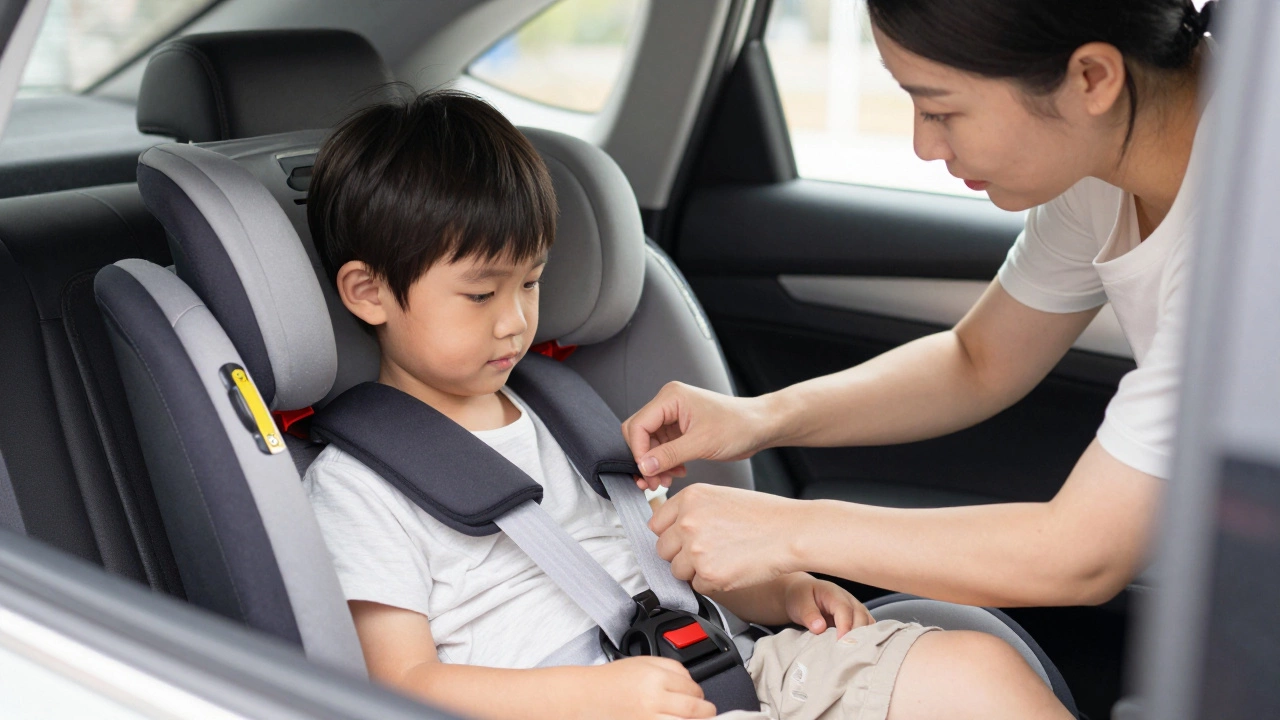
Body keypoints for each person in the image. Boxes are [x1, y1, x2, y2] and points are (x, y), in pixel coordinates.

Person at [300, 90, 1072, 720]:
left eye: (529, 283)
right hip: (575, 703)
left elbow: (668, 565)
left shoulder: (563, 413)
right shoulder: (356, 487)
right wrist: (592, 700)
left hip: (721, 667)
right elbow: (397, 684)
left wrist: (781, 592)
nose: (514, 320)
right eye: (480, 293)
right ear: (369, 292)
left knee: (974, 666)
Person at [626, 0, 1216, 609]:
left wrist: (787, 531)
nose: (923, 145)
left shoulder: (1248, 242)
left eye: (940, 108)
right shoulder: (1102, 164)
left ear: (1092, 78)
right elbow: (978, 359)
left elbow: (1082, 555)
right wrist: (760, 418)